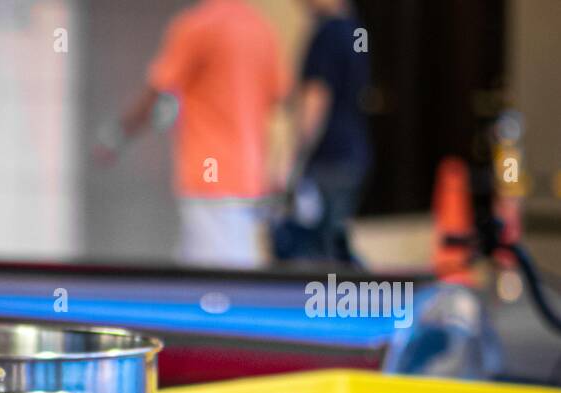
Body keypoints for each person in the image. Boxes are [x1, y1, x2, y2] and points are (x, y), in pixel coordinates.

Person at [96, 0, 290, 268]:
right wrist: (279, 166)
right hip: (248, 179)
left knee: (221, 287)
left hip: (211, 181)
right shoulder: (261, 29)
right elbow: (278, 105)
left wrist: (117, 135)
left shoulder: (199, 25)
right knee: (202, 275)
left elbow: (155, 92)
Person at [279, 0, 372, 264]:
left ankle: (347, 301)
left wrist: (293, 161)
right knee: (333, 242)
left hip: (329, 159)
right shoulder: (355, 30)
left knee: (319, 254)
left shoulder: (327, 34)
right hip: (352, 156)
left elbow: (316, 100)